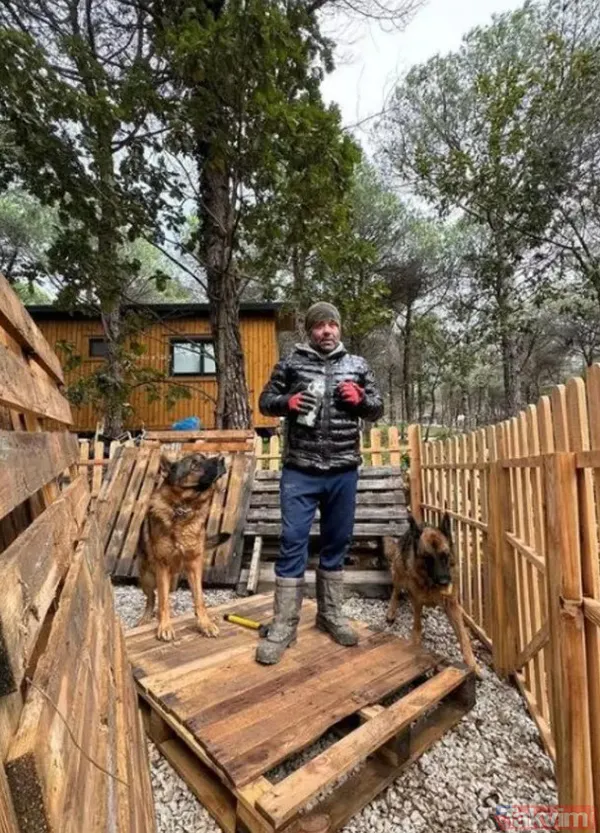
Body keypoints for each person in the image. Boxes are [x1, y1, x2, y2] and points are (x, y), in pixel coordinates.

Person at [255, 301, 384, 665]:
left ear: (339, 328)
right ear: (309, 331)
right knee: (292, 542)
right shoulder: (291, 363)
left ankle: (330, 614)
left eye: (332, 324)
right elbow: (266, 402)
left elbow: (378, 407)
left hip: (343, 469)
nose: (327, 330)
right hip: (300, 470)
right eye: (319, 325)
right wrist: (288, 401)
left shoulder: (357, 365)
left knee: (337, 543)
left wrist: (362, 401)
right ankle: (284, 624)